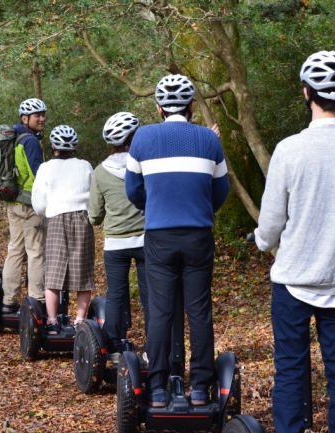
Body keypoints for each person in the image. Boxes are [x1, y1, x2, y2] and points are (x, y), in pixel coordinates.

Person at [253, 51, 335, 433]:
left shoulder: (289, 149)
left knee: (291, 367)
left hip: (293, 281)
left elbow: (272, 221)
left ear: (306, 92)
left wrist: (262, 242)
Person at [125, 74, 230, 407]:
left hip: (159, 236)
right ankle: (200, 388)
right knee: (199, 311)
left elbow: (133, 191)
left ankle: (157, 389)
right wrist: (199, 209)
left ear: (158, 107)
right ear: (190, 106)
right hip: (199, 234)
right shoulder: (209, 140)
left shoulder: (142, 138)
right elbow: (221, 190)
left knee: (160, 312)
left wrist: (155, 207)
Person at [89, 112, 150, 365]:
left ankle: (114, 348)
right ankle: (152, 350)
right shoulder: (145, 164)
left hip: (115, 244)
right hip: (147, 241)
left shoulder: (99, 172)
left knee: (116, 294)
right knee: (150, 295)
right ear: (133, 138)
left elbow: (94, 216)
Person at [31, 125, 95, 333]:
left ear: (53, 146)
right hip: (81, 218)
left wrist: (48, 211)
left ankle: (52, 320)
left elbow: (38, 202)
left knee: (55, 271)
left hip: (57, 218)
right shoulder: (85, 166)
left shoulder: (46, 168)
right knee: (83, 271)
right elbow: (94, 195)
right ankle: (80, 320)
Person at [1, 98, 48, 314]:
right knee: (35, 251)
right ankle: (37, 300)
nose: (42, 118)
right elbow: (40, 173)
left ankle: (8, 300)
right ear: (24, 118)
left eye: (43, 114)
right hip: (30, 204)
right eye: (37, 115)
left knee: (15, 250)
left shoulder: (14, 137)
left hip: (14, 202)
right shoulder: (29, 141)